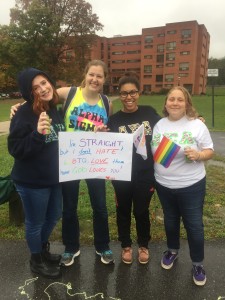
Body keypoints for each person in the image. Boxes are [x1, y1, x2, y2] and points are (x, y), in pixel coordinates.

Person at [10, 60, 114, 266]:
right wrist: (21, 104)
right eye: (91, 74)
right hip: (70, 160)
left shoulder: (106, 102)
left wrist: (102, 133)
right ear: (85, 75)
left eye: (99, 76)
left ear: (104, 79)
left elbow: (106, 130)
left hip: (95, 160)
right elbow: (43, 93)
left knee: (100, 207)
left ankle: (103, 246)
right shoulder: (71, 93)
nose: (95, 79)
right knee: (69, 207)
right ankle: (71, 247)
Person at [151, 86, 214, 286]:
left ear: (187, 103)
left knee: (194, 225)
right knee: (170, 220)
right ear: (166, 103)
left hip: (191, 185)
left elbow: (209, 150)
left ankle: (197, 263)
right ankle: (172, 251)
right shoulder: (160, 124)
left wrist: (198, 155)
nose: (175, 103)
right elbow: (156, 151)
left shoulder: (197, 125)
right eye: (171, 99)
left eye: (180, 99)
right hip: (163, 184)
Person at [8, 68, 65, 279]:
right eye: (36, 87)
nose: (43, 88)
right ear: (30, 93)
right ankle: (36, 260)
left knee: (54, 215)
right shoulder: (23, 114)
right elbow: (15, 149)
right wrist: (37, 134)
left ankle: (41, 250)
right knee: (35, 222)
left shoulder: (54, 109)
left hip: (54, 178)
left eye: (44, 82)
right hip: (32, 182)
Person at [106, 72, 161, 264]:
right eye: (124, 93)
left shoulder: (149, 113)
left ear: (139, 93)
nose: (128, 97)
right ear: (119, 95)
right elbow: (105, 147)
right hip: (121, 174)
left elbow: (169, 127)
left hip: (145, 174)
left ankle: (143, 245)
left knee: (141, 211)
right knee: (123, 211)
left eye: (132, 92)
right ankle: (126, 246)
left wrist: (196, 119)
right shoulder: (113, 121)